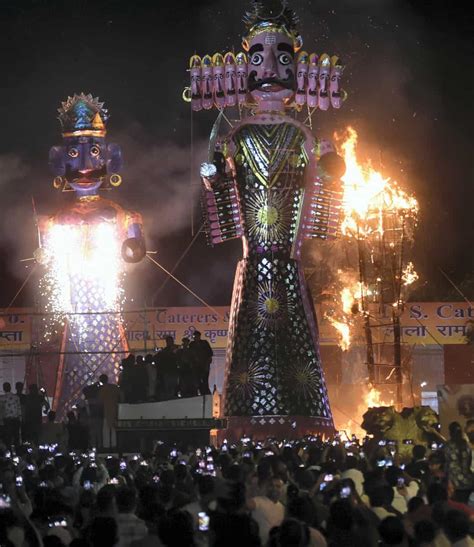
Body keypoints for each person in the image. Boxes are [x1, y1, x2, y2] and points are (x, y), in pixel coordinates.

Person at [248, 476, 285, 545]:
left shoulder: (282, 507)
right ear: (267, 487)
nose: (274, 488)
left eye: (278, 486)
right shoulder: (257, 501)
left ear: (282, 489)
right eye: (271, 485)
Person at [444, 421, 473, 503]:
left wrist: (449, 481)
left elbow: (448, 465)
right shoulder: (467, 444)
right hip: (469, 480)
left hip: (455, 482)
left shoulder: (448, 446)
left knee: (460, 506)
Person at [98, 374, 120, 450]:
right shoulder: (114, 387)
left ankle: (106, 445)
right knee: (114, 428)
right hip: (114, 409)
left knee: (106, 429)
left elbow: (100, 401)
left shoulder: (102, 389)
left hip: (106, 410)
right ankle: (114, 444)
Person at [189, 331, 213, 396]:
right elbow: (190, 355)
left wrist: (207, 364)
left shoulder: (204, 343)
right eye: (194, 336)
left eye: (196, 336)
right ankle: (199, 394)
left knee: (205, 381)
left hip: (204, 366)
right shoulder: (192, 344)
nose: (195, 338)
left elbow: (210, 354)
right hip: (196, 367)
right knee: (197, 382)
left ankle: (206, 394)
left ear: (199, 336)